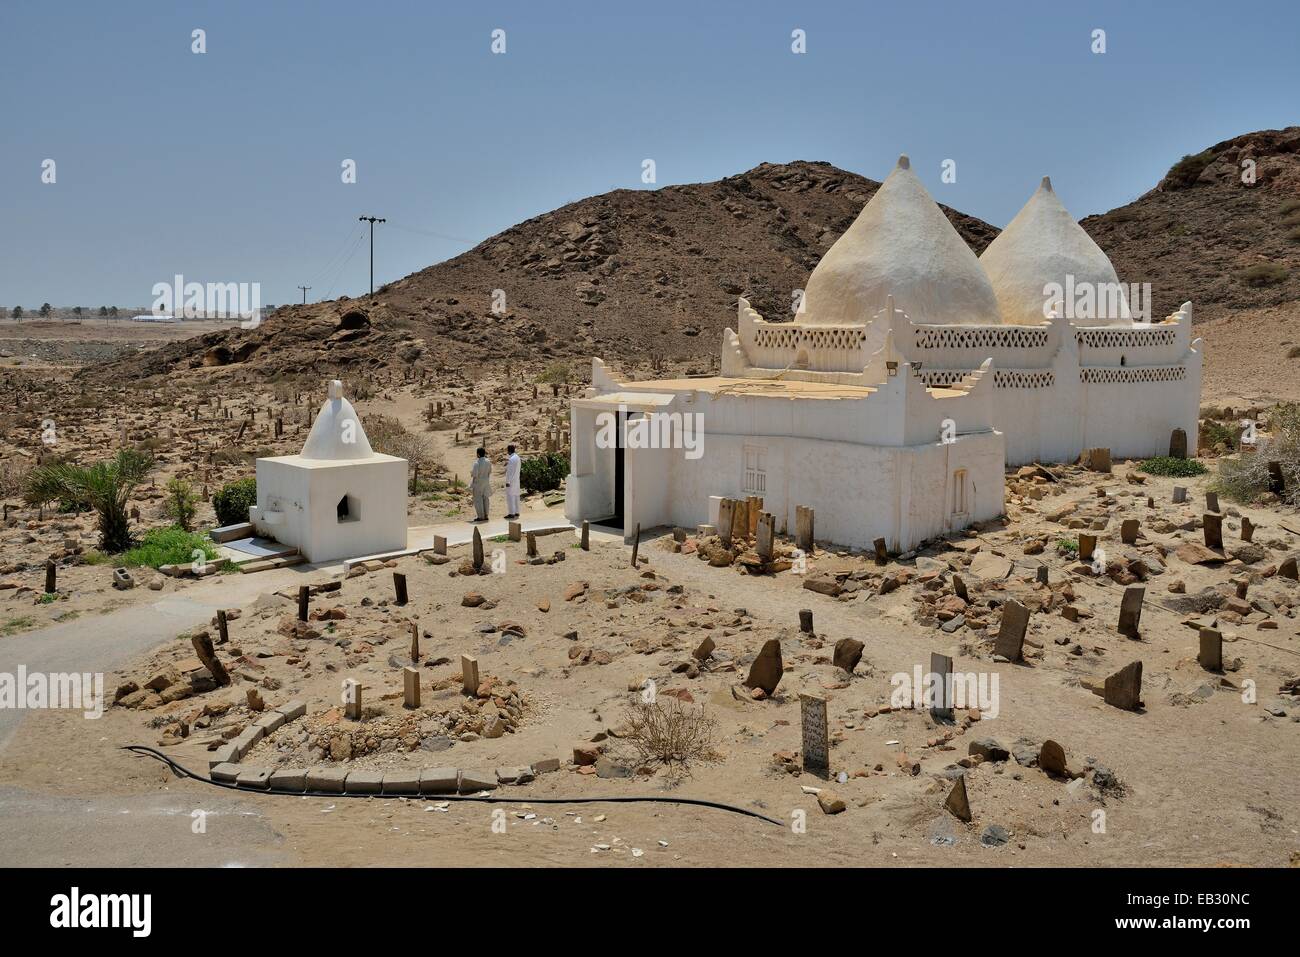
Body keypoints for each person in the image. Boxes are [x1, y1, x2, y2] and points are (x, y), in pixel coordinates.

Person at [470, 447, 491, 522]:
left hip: (478, 482)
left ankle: (480, 516)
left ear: (478, 454)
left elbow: (474, 474)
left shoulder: (477, 463)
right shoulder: (488, 461)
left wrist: (471, 473)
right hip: (486, 481)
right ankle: (486, 515)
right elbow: (489, 471)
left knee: (478, 499)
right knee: (485, 498)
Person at [504, 444, 521, 519]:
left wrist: (508, 481)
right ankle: (517, 512)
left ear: (509, 450)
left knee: (510, 497)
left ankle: (511, 513)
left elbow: (509, 472)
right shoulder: (517, 457)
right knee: (516, 496)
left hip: (511, 481)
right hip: (517, 480)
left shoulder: (511, 459)